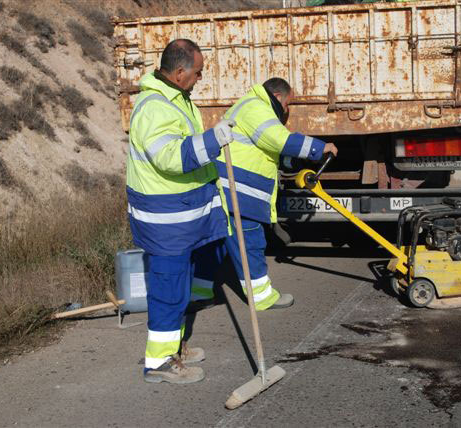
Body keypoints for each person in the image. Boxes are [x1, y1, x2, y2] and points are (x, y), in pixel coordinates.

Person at [126, 39, 236, 384]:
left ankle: (174, 345)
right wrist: (212, 141)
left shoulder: (178, 98)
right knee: (168, 287)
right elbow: (171, 158)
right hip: (165, 220)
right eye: (198, 72)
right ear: (179, 72)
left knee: (180, 283)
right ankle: (158, 361)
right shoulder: (155, 108)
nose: (200, 78)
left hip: (180, 215)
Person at [189, 78, 338, 311]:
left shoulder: (248, 105)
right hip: (239, 191)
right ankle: (261, 297)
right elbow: (279, 140)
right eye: (288, 104)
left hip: (224, 188)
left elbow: (261, 147)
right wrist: (320, 148)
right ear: (278, 97)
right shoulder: (257, 108)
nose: (287, 111)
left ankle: (199, 293)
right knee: (250, 242)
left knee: (214, 244)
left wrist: (289, 161)